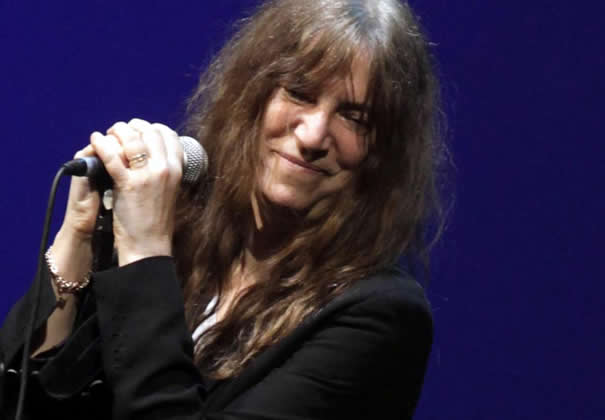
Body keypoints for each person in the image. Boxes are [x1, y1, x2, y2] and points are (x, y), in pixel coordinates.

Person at [0, 0, 446, 418]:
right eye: (299, 93)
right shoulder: (181, 230)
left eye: (353, 117)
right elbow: (22, 400)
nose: (312, 136)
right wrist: (76, 237)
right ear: (251, 95)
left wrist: (146, 249)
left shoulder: (380, 317)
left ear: (381, 153)